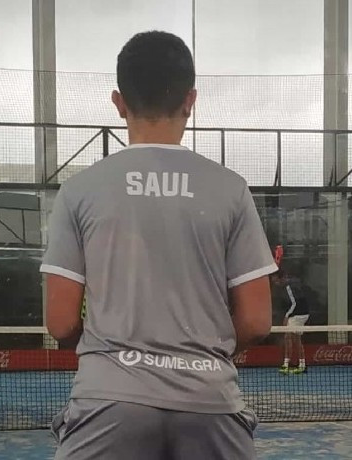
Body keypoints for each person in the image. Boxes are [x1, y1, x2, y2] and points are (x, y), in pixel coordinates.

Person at [42, 31, 277, 460]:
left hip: (107, 396)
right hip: (210, 397)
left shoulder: (79, 191)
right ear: (191, 100)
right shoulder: (231, 189)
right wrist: (204, 356)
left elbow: (60, 323)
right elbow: (257, 320)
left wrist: (113, 359)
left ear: (118, 102)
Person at [274, 269, 310, 374]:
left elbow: (294, 303)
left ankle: (286, 365)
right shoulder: (295, 283)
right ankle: (302, 365)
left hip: (298, 314)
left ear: (282, 278)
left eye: (276, 281)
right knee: (296, 339)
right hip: (304, 313)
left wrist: (286, 316)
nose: (275, 283)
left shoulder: (289, 287)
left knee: (288, 337)